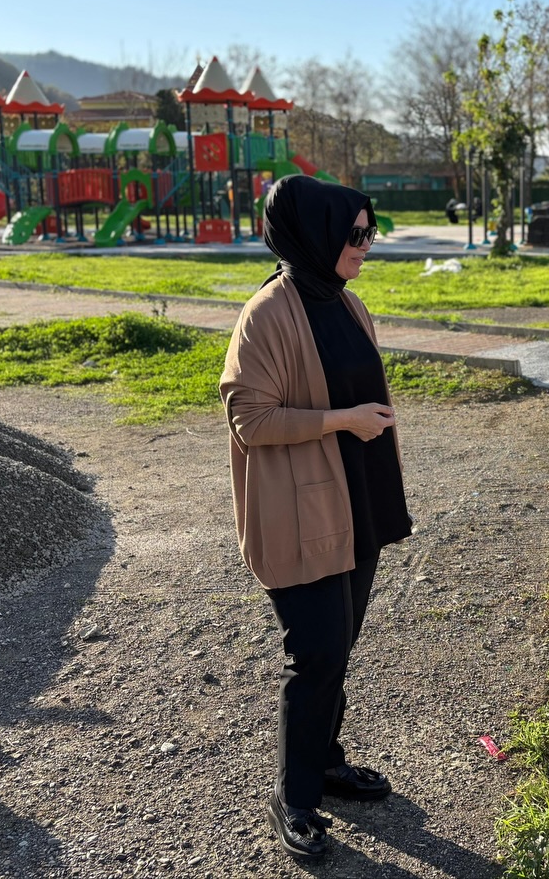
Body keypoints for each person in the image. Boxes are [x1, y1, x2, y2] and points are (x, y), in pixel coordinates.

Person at [220, 175, 412, 861]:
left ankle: (325, 762)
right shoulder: (268, 314)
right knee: (318, 652)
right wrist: (342, 421)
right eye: (355, 234)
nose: (366, 246)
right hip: (299, 514)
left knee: (340, 646)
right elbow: (248, 418)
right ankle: (295, 796)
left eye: (370, 232)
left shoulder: (348, 303)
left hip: (356, 503)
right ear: (317, 234)